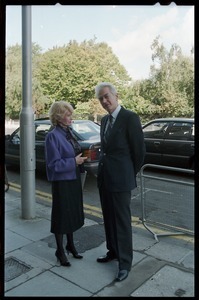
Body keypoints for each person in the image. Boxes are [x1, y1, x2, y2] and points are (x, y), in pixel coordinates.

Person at [95, 82, 146, 281]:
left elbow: (139, 152)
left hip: (121, 180)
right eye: (101, 98)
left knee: (122, 222)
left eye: (107, 96)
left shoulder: (130, 117)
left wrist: (128, 174)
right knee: (108, 218)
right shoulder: (105, 120)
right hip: (105, 177)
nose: (104, 101)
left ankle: (125, 263)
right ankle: (113, 251)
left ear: (116, 96)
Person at [45, 101, 87, 267]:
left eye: (71, 114)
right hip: (62, 182)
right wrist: (73, 161)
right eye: (68, 115)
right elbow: (53, 165)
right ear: (58, 117)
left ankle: (70, 245)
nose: (71, 118)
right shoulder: (53, 135)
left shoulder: (68, 132)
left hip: (73, 178)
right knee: (61, 216)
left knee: (71, 213)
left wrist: (81, 159)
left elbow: (74, 151)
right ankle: (60, 250)